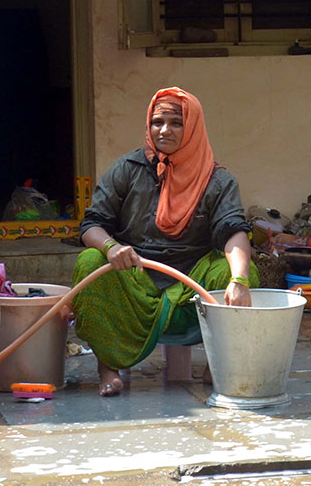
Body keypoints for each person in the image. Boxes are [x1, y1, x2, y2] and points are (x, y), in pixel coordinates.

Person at [73, 87, 257, 396]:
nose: (164, 130)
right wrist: (111, 247)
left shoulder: (217, 180)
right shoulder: (126, 170)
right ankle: (108, 367)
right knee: (89, 263)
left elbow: (233, 231)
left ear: (193, 127)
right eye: (157, 122)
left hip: (190, 280)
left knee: (235, 273)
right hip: (134, 274)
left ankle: (221, 363)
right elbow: (92, 225)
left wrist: (239, 279)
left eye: (176, 122)